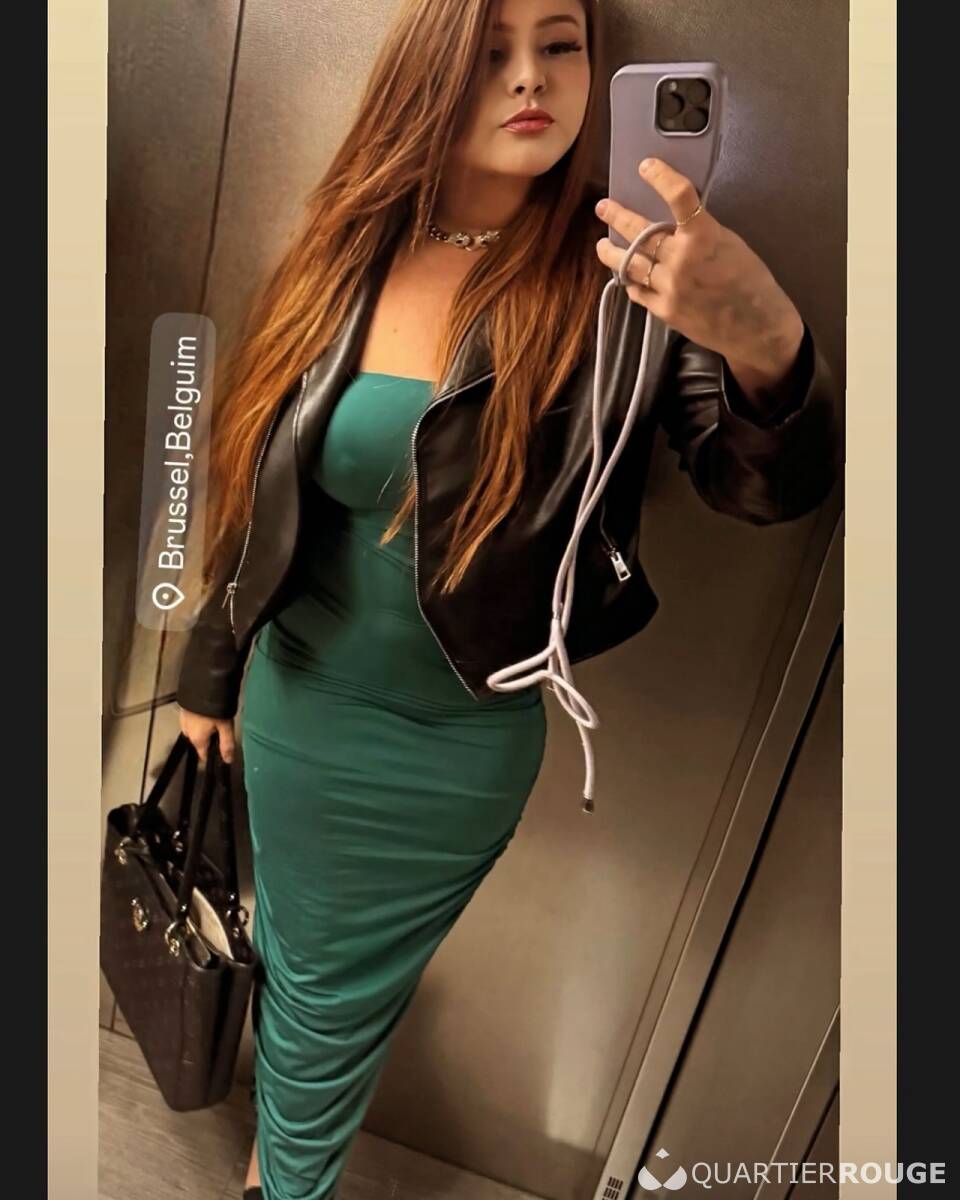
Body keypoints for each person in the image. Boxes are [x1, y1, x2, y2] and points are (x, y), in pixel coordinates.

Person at [174, 0, 840, 1196]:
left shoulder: (628, 277)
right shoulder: (346, 249)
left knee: (331, 991)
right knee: (311, 973)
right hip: (297, 706)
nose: (531, 77)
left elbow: (758, 489)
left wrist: (767, 343)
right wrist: (208, 670)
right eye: (490, 53)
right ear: (430, 75)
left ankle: (284, 1172)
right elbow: (251, 483)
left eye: (560, 44)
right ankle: (284, 1162)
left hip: (454, 745)